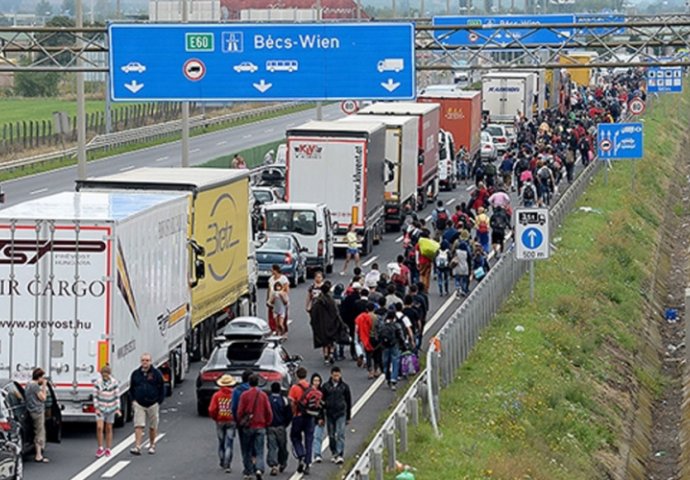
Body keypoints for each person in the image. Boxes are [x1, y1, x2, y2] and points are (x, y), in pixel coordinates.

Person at [237, 374, 273, 480]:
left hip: (248, 426)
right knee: (259, 450)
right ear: (258, 382)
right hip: (260, 425)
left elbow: (240, 411)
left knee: (247, 449)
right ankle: (259, 469)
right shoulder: (263, 395)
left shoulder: (244, 395)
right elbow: (268, 411)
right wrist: (267, 422)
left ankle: (247, 471)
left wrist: (241, 421)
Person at [129, 353, 165, 456]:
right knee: (138, 425)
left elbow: (162, 387)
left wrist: (159, 401)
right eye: (143, 360)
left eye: (147, 360)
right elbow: (131, 388)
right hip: (139, 403)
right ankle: (137, 446)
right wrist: (133, 401)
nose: (145, 362)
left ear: (150, 361)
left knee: (153, 426)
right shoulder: (136, 374)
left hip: (153, 403)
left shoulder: (156, 374)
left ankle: (152, 445)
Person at [321, 367, 352, 464]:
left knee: (340, 434)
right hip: (329, 413)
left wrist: (348, 416)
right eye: (334, 375)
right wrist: (322, 415)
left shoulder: (344, 387)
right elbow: (322, 401)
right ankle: (334, 451)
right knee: (331, 435)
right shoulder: (326, 387)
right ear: (331, 375)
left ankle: (340, 454)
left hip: (341, 413)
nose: (336, 377)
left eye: (338, 375)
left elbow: (348, 401)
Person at [310, 282, 346, 365]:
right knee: (332, 340)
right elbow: (336, 312)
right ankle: (332, 354)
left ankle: (326, 357)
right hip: (332, 323)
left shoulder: (318, 301)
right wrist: (340, 323)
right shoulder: (331, 300)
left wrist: (314, 323)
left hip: (322, 324)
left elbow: (314, 313)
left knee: (324, 342)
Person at [289, 368, 316, 475]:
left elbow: (291, 402)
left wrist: (292, 413)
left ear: (297, 375)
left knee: (295, 437)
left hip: (298, 416)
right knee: (309, 439)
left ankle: (301, 455)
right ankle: (308, 463)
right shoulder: (311, 388)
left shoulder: (294, 388)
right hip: (309, 416)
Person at [208, 374, 237, 473]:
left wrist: (215, 418)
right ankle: (227, 463)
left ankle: (222, 460)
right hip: (231, 420)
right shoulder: (234, 395)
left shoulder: (217, 395)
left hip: (220, 420)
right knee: (229, 443)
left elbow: (212, 409)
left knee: (221, 442)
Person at [94, 365, 121, 458]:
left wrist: (117, 408)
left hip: (111, 407)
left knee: (109, 428)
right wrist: (96, 407)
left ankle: (108, 448)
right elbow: (95, 396)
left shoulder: (114, 383)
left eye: (106, 375)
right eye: (103, 375)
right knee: (99, 427)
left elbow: (117, 396)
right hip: (101, 407)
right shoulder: (98, 383)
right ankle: (100, 447)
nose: (104, 377)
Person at [267, 382, 292, 476]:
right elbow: (289, 414)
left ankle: (273, 465)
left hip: (270, 426)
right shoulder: (284, 400)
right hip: (281, 426)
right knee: (282, 446)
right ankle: (282, 462)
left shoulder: (268, 400)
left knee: (272, 446)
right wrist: (286, 423)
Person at [26, 368, 49, 463]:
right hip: (37, 411)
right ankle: (38, 455)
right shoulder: (35, 386)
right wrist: (44, 386)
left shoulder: (28, 384)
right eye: (42, 378)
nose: (43, 380)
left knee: (36, 431)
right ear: (38, 377)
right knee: (39, 433)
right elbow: (43, 398)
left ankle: (38, 453)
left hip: (31, 410)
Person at [232, 369, 253, 474]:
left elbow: (234, 407)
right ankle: (255, 465)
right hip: (256, 422)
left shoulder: (237, 391)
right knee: (256, 444)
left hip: (243, 422)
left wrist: (237, 420)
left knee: (245, 446)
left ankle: (247, 468)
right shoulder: (258, 391)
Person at [379, 311, 404, 390]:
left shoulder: (382, 325)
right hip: (394, 345)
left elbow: (379, 335)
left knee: (385, 362)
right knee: (395, 362)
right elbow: (400, 335)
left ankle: (387, 377)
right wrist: (403, 344)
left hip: (385, 346)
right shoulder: (396, 325)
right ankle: (394, 379)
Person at [267, 264, 290, 334]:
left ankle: (284, 331)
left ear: (275, 270)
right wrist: (268, 299)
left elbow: (287, 289)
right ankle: (275, 330)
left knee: (283, 318)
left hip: (281, 301)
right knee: (273, 317)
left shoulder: (283, 278)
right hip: (273, 301)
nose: (271, 271)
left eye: (272, 269)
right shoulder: (271, 279)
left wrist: (280, 294)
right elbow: (269, 290)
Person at [309, 374, 326, 464]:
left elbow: (323, 407)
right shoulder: (308, 392)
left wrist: (321, 418)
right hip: (310, 418)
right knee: (310, 437)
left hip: (319, 418)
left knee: (318, 436)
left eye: (318, 381)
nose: (316, 383)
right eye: (315, 381)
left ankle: (317, 454)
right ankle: (310, 454)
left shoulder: (322, 392)